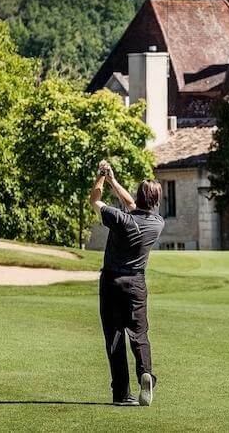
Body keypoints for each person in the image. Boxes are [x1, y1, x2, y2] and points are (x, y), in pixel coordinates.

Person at [88, 160, 165, 407]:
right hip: (136, 283)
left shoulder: (119, 218)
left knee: (115, 336)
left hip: (112, 281)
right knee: (139, 333)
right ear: (155, 202)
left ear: (138, 197)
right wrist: (113, 180)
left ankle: (122, 394)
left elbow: (95, 201)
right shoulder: (157, 223)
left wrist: (101, 177)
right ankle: (146, 372)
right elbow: (132, 204)